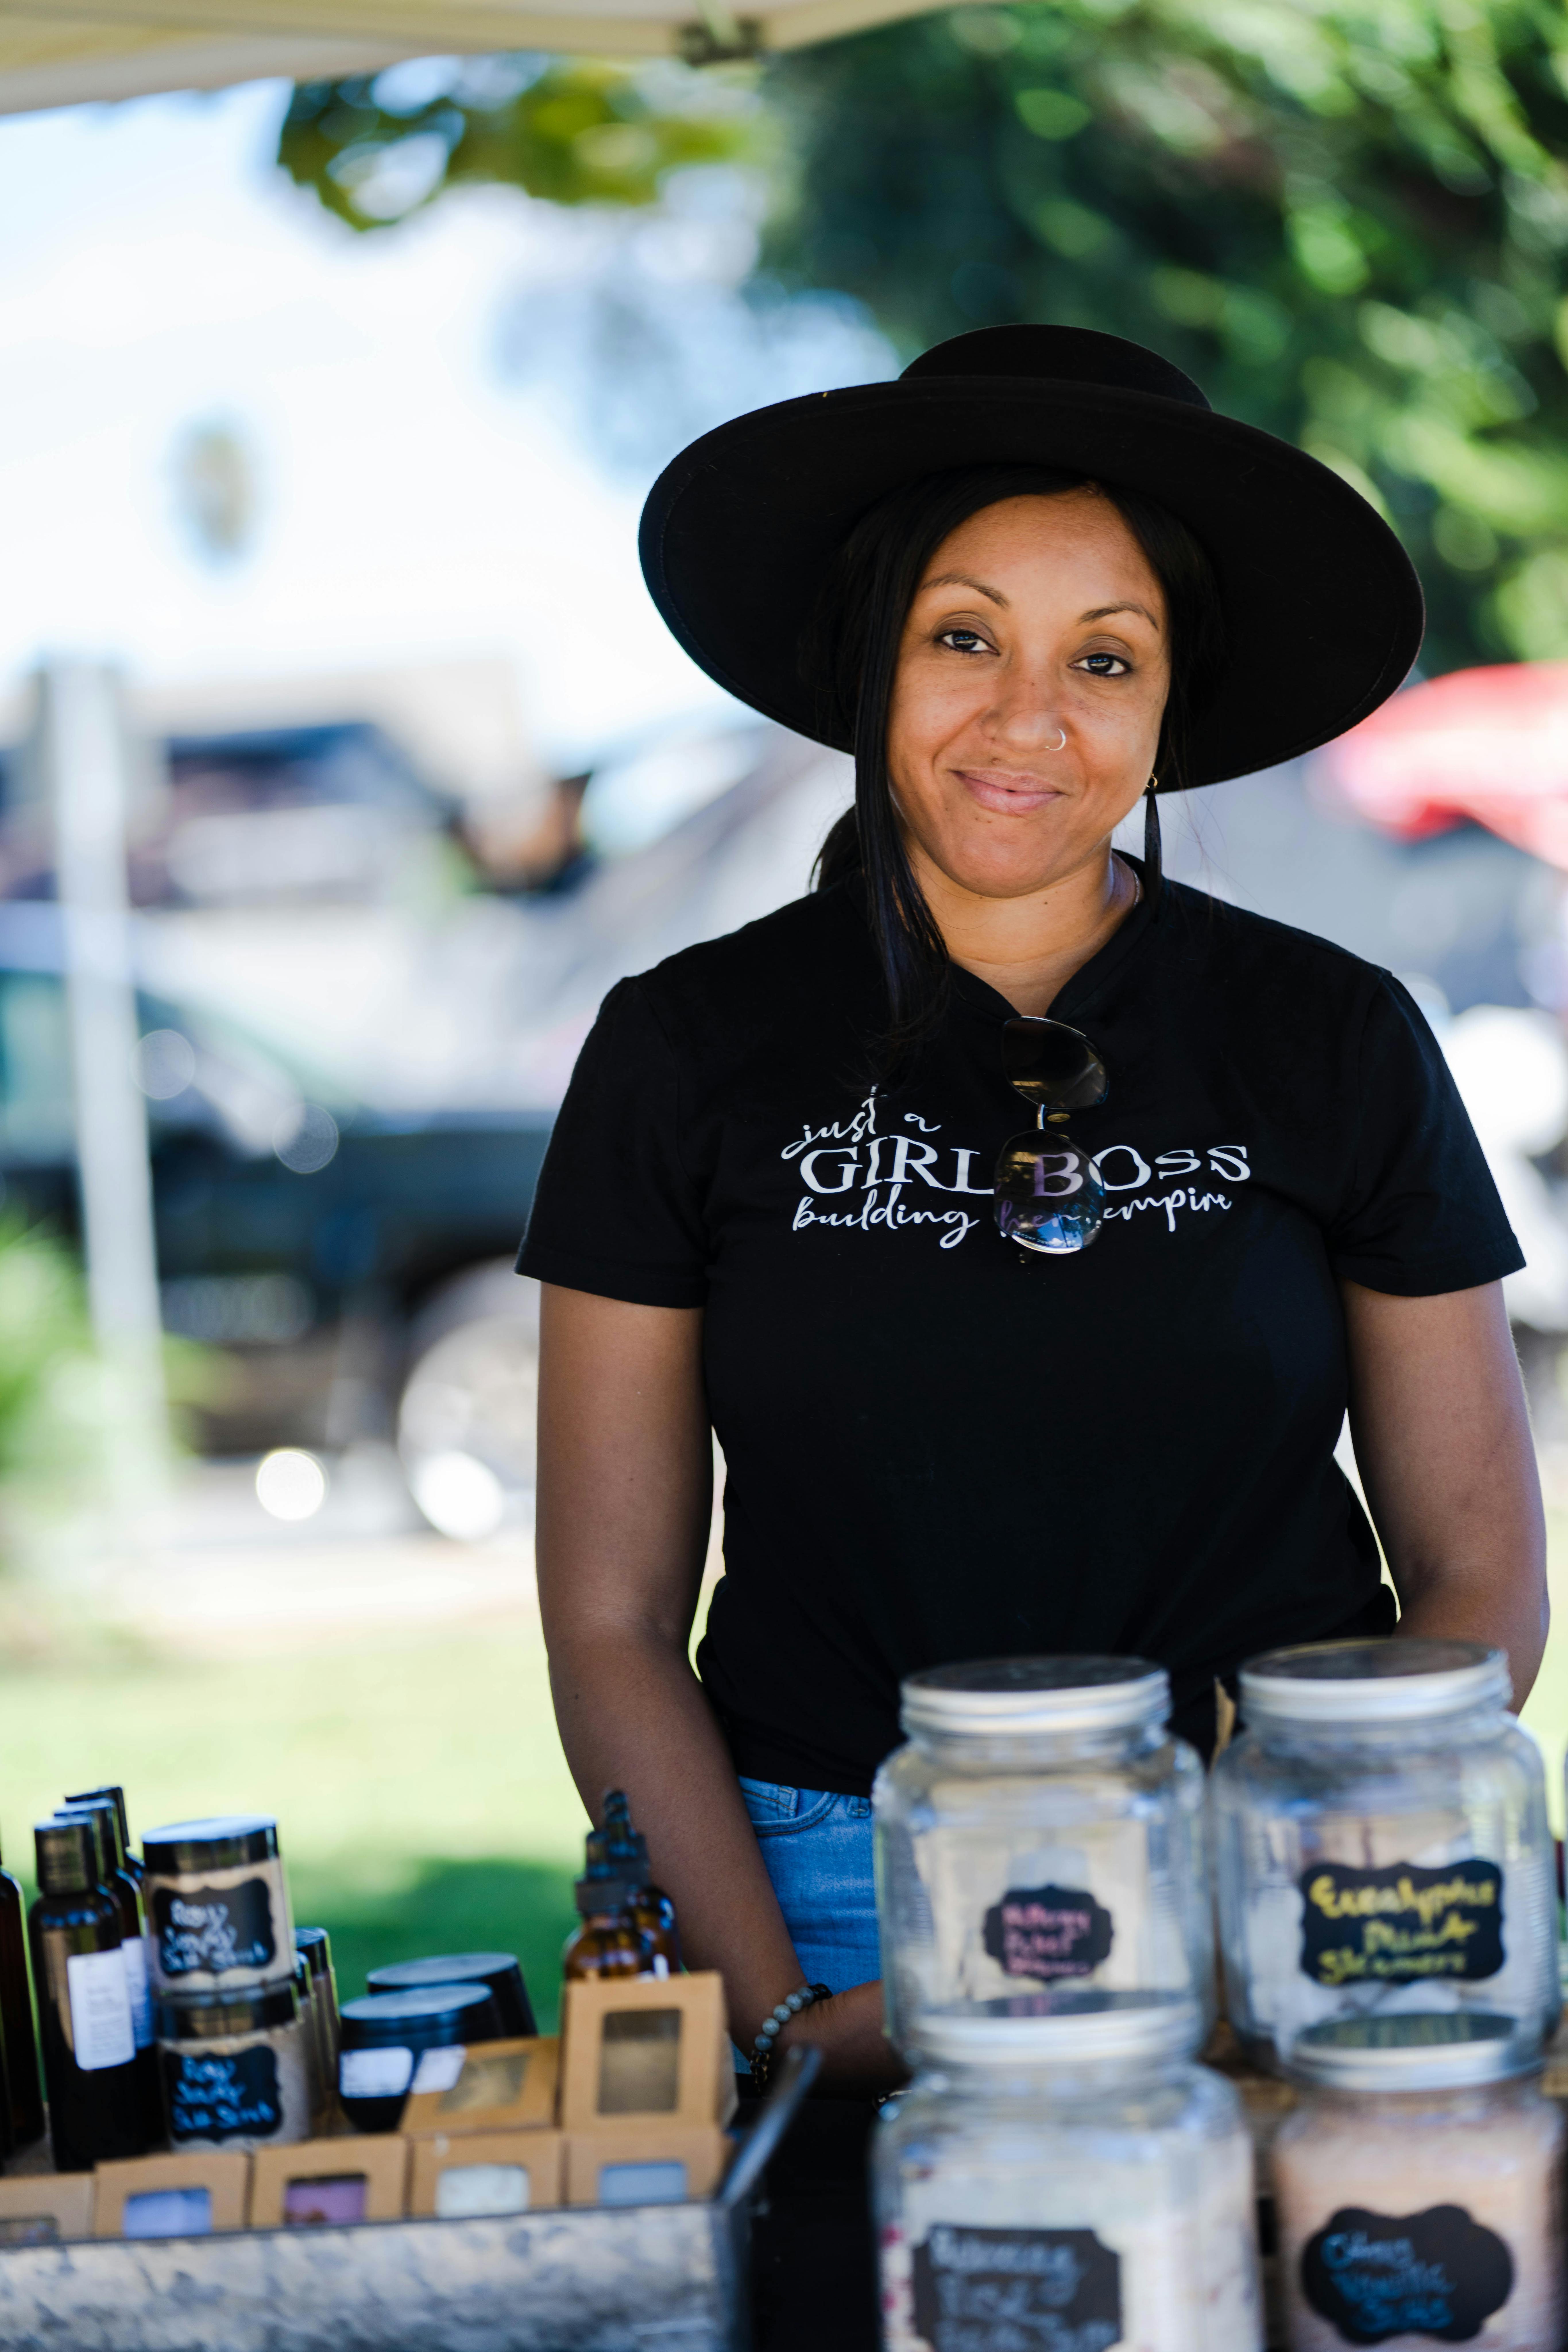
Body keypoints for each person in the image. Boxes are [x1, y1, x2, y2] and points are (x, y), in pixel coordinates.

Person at [519, 325, 1546, 2096]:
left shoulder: (1330, 1034)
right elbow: (608, 1617)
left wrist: (1298, 1876)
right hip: (835, 1897)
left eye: (1105, 658)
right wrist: (778, 2016)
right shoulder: (682, 1052)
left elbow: (1478, 1567)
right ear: (869, 661)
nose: (1026, 717)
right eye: (961, 636)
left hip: (1278, 1877)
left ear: (1167, 706)